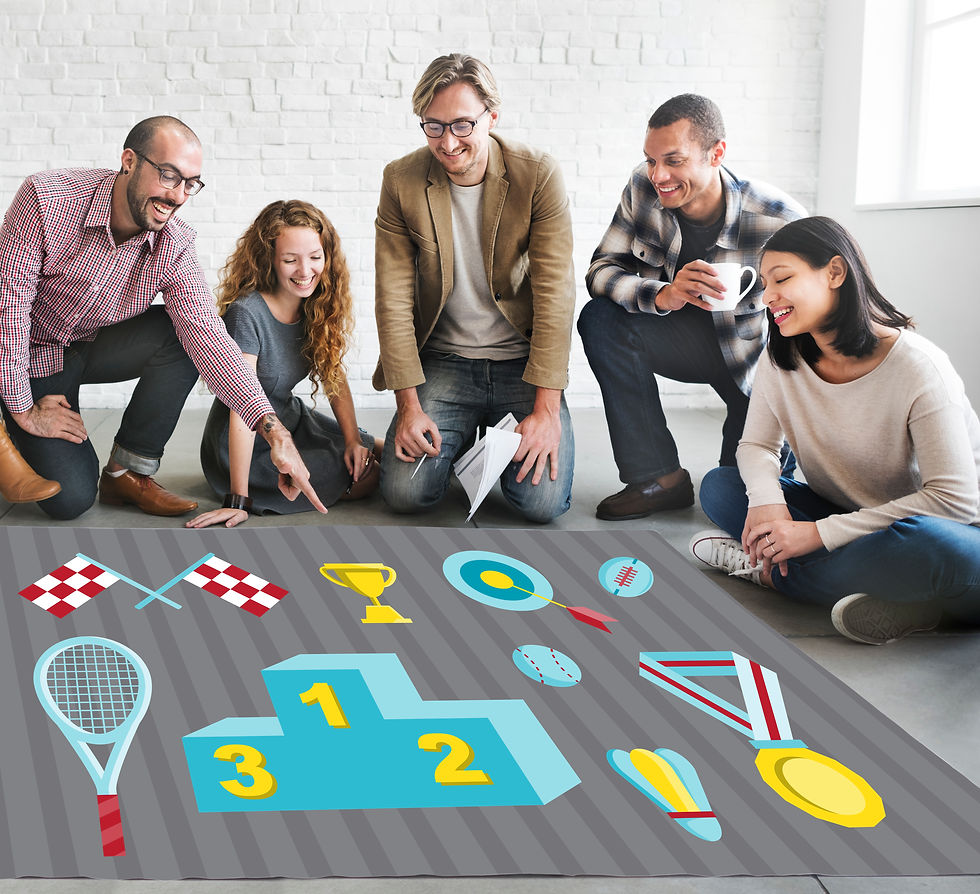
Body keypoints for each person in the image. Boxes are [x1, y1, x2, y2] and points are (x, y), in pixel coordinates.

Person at [0, 116, 326, 520]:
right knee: (70, 500)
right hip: (25, 348)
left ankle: (127, 472)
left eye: (191, 183)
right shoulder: (47, 200)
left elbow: (208, 336)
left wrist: (275, 432)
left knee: (186, 332)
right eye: (169, 176)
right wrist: (22, 408)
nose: (178, 195)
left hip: (85, 345)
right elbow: (9, 310)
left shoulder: (174, 244)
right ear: (129, 161)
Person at [690, 216, 980, 645]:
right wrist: (769, 504)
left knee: (927, 544)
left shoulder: (920, 368)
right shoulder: (781, 356)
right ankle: (905, 602)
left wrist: (817, 535)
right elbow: (756, 444)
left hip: (944, 534)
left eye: (782, 279)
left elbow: (953, 502)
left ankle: (775, 577)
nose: (767, 297)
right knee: (721, 487)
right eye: (765, 283)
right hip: (849, 517)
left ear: (835, 273)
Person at [578, 94, 806, 520]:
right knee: (600, 319)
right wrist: (662, 294)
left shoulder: (779, 219)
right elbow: (601, 270)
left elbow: (811, 328)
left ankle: (761, 462)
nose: (658, 175)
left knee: (733, 499)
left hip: (751, 363)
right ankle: (658, 478)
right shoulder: (643, 188)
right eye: (650, 160)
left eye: (673, 160)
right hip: (677, 338)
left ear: (716, 153)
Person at [373, 53, 576, 523]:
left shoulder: (537, 174)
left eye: (463, 125)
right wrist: (408, 407)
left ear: (492, 118)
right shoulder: (401, 180)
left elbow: (555, 296)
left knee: (540, 504)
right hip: (446, 360)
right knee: (406, 494)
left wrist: (545, 412)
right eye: (434, 126)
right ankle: (461, 433)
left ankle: (479, 438)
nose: (448, 142)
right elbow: (393, 298)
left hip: (521, 364)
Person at [186, 200, 380, 529]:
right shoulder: (246, 313)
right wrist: (238, 499)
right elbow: (240, 407)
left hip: (293, 418)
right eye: (290, 260)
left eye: (315, 258)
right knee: (365, 477)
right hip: (246, 440)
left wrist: (351, 440)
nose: (305, 272)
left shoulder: (316, 304)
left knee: (374, 449)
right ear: (270, 260)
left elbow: (334, 375)